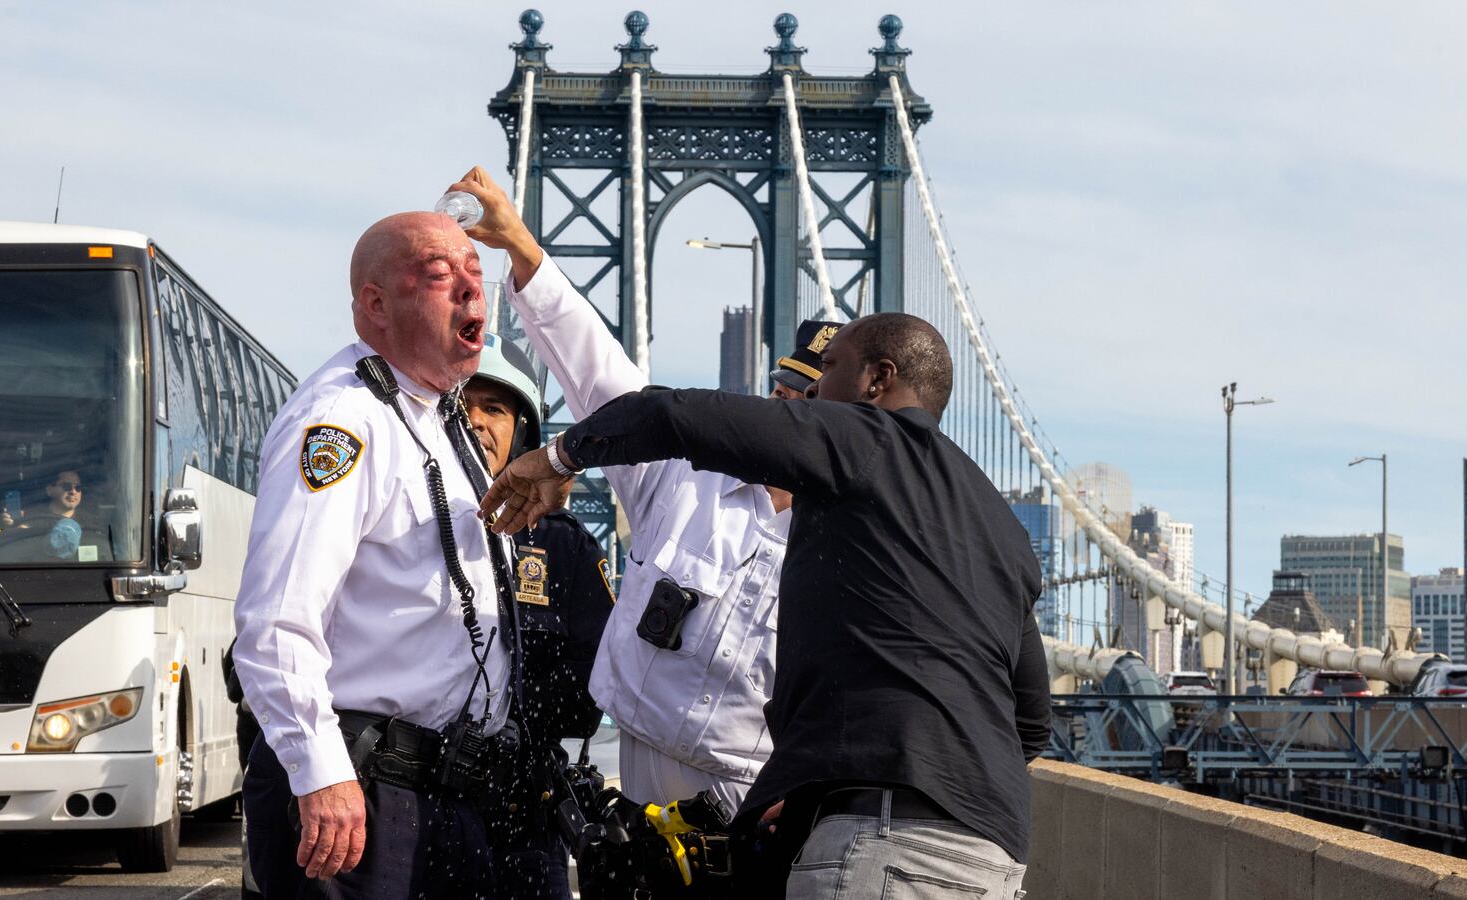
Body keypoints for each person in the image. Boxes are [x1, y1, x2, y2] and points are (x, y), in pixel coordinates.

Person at [482, 314, 1052, 899]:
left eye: (827, 372)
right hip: (993, 856)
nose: (810, 396)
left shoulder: (861, 438)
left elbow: (667, 415)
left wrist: (557, 459)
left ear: (877, 381)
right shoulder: (999, 524)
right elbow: (1030, 721)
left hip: (882, 842)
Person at [451, 164, 840, 820]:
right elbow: (599, 375)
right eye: (782, 397)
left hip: (763, 795)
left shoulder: (851, 539)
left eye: (809, 404)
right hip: (645, 776)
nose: (788, 414)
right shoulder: (684, 476)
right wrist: (522, 248)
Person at [232, 209, 519, 899]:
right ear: (377, 304)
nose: (471, 293)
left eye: (477, 275)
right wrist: (320, 771)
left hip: (442, 791)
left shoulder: (435, 415)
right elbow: (276, 621)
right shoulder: (341, 422)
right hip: (362, 793)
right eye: (441, 276)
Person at [463, 333, 614, 899]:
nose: (476, 420)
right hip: (415, 802)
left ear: (522, 432)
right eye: (461, 406)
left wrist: (515, 718)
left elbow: (595, 684)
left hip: (522, 813)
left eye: (494, 409)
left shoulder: (566, 549)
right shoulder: (394, 525)